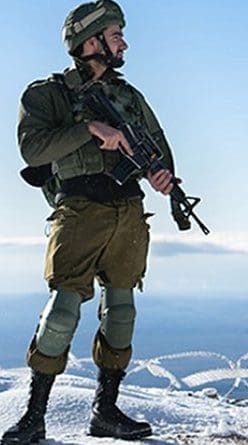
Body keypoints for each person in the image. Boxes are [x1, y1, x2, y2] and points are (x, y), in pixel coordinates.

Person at [3, 1, 177, 443]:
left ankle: (106, 411)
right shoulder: (47, 95)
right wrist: (90, 130)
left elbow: (157, 146)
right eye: (115, 33)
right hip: (79, 210)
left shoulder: (129, 97)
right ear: (90, 41)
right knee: (62, 313)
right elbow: (33, 150)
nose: (124, 42)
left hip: (129, 211)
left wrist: (162, 175)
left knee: (122, 312)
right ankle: (34, 415)